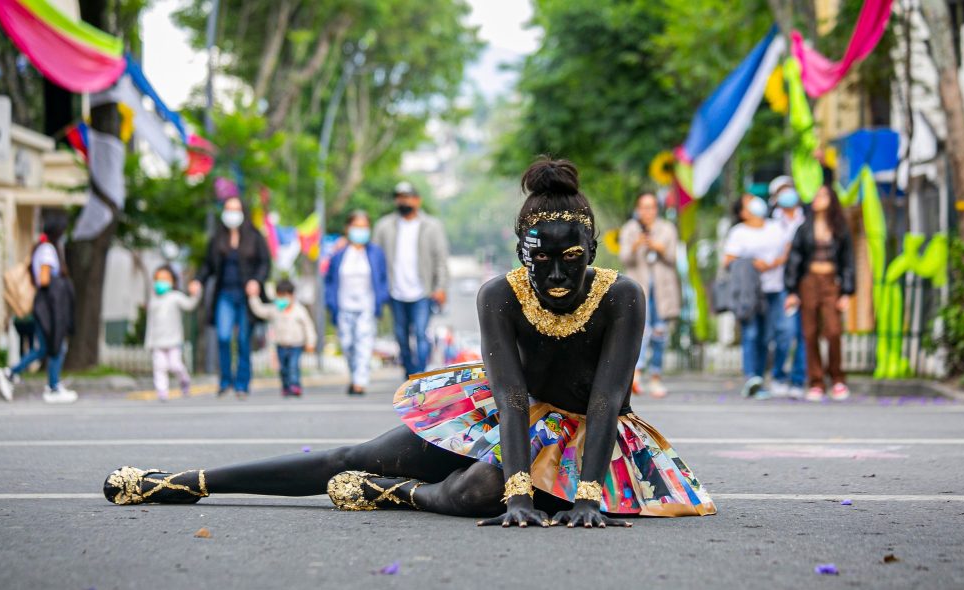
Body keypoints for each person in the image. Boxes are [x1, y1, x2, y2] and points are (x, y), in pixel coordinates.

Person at [102, 158, 716, 527]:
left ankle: (403, 496)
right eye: (541, 261)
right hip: (506, 421)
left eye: (571, 261)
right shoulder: (497, 295)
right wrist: (520, 492)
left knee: (478, 490)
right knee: (349, 456)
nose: (556, 277)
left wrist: (584, 497)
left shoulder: (622, 296)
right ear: (518, 253)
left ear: (597, 252)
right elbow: (507, 398)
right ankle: (187, 481)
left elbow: (609, 397)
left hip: (592, 444)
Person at [189, 197, 271, 399]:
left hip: (246, 296)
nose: (232, 213)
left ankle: (242, 384)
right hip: (224, 294)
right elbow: (207, 265)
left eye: (236, 209)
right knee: (223, 337)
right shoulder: (217, 238)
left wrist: (256, 281)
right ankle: (225, 381)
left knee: (244, 339)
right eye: (228, 209)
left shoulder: (254, 237)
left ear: (243, 212)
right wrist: (198, 280)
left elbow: (265, 264)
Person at [784, 179, 855, 402]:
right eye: (816, 196)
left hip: (831, 281)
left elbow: (848, 261)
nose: (817, 199)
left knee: (834, 331)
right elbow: (794, 259)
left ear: (831, 200)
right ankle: (815, 381)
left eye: (823, 195)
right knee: (809, 332)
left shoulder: (839, 228)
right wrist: (792, 290)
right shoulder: (804, 228)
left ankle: (837, 379)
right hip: (809, 281)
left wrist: (846, 292)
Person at [0, 212, 77, 403]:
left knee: (45, 348)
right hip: (47, 306)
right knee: (57, 345)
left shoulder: (42, 247)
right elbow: (44, 278)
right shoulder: (48, 250)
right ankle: (52, 387)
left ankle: (13, 375)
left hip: (44, 305)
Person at [372, 182, 449, 378]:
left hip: (423, 291)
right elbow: (375, 260)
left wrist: (440, 288)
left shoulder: (431, 226)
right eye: (399, 197)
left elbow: (441, 259)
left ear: (417, 200)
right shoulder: (384, 226)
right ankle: (409, 372)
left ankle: (420, 374)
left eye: (407, 196)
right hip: (395, 291)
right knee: (401, 336)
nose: (403, 200)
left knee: (421, 334)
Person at [722, 193, 792, 399]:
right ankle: (752, 377)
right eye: (748, 201)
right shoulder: (739, 232)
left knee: (773, 335)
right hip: (750, 293)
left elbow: (789, 248)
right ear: (743, 212)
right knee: (751, 333)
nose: (755, 202)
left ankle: (765, 376)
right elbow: (728, 260)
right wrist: (753, 263)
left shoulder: (776, 226)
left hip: (776, 289)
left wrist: (776, 262)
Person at [619, 192, 680, 398]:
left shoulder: (666, 229)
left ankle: (656, 377)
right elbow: (625, 258)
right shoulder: (630, 229)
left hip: (662, 291)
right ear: (638, 209)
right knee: (640, 332)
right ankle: (636, 374)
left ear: (657, 209)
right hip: (640, 289)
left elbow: (673, 258)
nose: (648, 211)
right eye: (644, 207)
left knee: (660, 333)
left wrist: (659, 247)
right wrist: (637, 244)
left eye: (651, 207)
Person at [325, 211, 389, 396]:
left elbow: (383, 278)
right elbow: (329, 280)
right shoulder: (339, 254)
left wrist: (382, 297)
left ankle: (360, 381)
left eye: (364, 227)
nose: (360, 231)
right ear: (348, 228)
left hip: (366, 306)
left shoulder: (375, 253)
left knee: (364, 343)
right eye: (356, 227)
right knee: (347, 344)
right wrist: (330, 301)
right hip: (343, 306)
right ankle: (354, 376)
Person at [767, 176, 807, 399]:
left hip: (806, 284)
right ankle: (779, 375)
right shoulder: (772, 225)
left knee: (804, 334)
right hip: (782, 285)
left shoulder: (807, 219)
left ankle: (799, 379)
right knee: (786, 332)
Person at [247, 279, 316, 397]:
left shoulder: (299, 310)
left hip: (296, 344)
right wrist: (253, 297)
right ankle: (286, 386)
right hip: (281, 345)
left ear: (292, 296)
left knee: (293, 366)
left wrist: (311, 342)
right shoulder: (275, 309)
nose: (282, 299)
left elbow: (308, 326)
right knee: (283, 368)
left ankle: (295, 385)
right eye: (279, 296)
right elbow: (261, 310)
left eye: (285, 296)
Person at [144, 265, 200, 401]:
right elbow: (150, 324)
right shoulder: (153, 301)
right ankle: (162, 391)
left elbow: (189, 305)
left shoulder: (175, 297)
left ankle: (184, 380)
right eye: (158, 279)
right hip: (157, 342)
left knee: (175, 365)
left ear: (172, 281)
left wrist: (196, 293)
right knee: (159, 367)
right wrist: (148, 342)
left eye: (164, 278)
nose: (160, 282)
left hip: (173, 341)